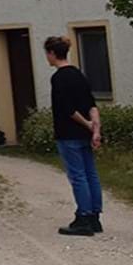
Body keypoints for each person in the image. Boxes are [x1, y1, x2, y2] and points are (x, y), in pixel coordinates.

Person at [44, 36, 104, 236]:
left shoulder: (59, 78)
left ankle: (84, 217)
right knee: (91, 173)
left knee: (78, 176)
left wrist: (86, 123)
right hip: (85, 134)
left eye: (47, 53)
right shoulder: (79, 75)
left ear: (52, 53)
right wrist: (95, 129)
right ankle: (95, 215)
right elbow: (91, 104)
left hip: (68, 133)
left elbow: (67, 109)